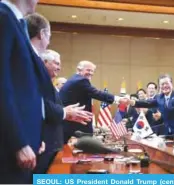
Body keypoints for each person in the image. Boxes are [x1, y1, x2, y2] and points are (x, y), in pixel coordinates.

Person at [26, 13, 93, 173]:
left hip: (53, 144)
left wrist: (67, 113)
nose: (59, 67)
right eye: (56, 63)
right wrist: (64, 112)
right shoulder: (35, 77)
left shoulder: (47, 83)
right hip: (43, 145)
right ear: (44, 62)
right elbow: (40, 106)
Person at [0, 0, 52, 183]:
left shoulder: (17, 22)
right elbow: (3, 86)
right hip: (10, 147)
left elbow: (28, 88)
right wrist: (19, 142)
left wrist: (36, 135)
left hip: (26, 142)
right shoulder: (3, 17)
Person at [59, 61, 127, 143]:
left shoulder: (74, 79)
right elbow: (97, 93)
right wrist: (118, 99)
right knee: (84, 152)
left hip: (71, 124)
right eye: (88, 70)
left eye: (92, 71)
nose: (91, 73)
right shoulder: (81, 80)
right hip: (77, 126)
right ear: (79, 69)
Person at [128, 74, 174, 141]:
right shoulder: (160, 97)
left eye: (167, 83)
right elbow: (148, 103)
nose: (165, 86)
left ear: (171, 84)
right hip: (169, 135)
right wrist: (132, 102)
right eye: (162, 84)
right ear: (159, 86)